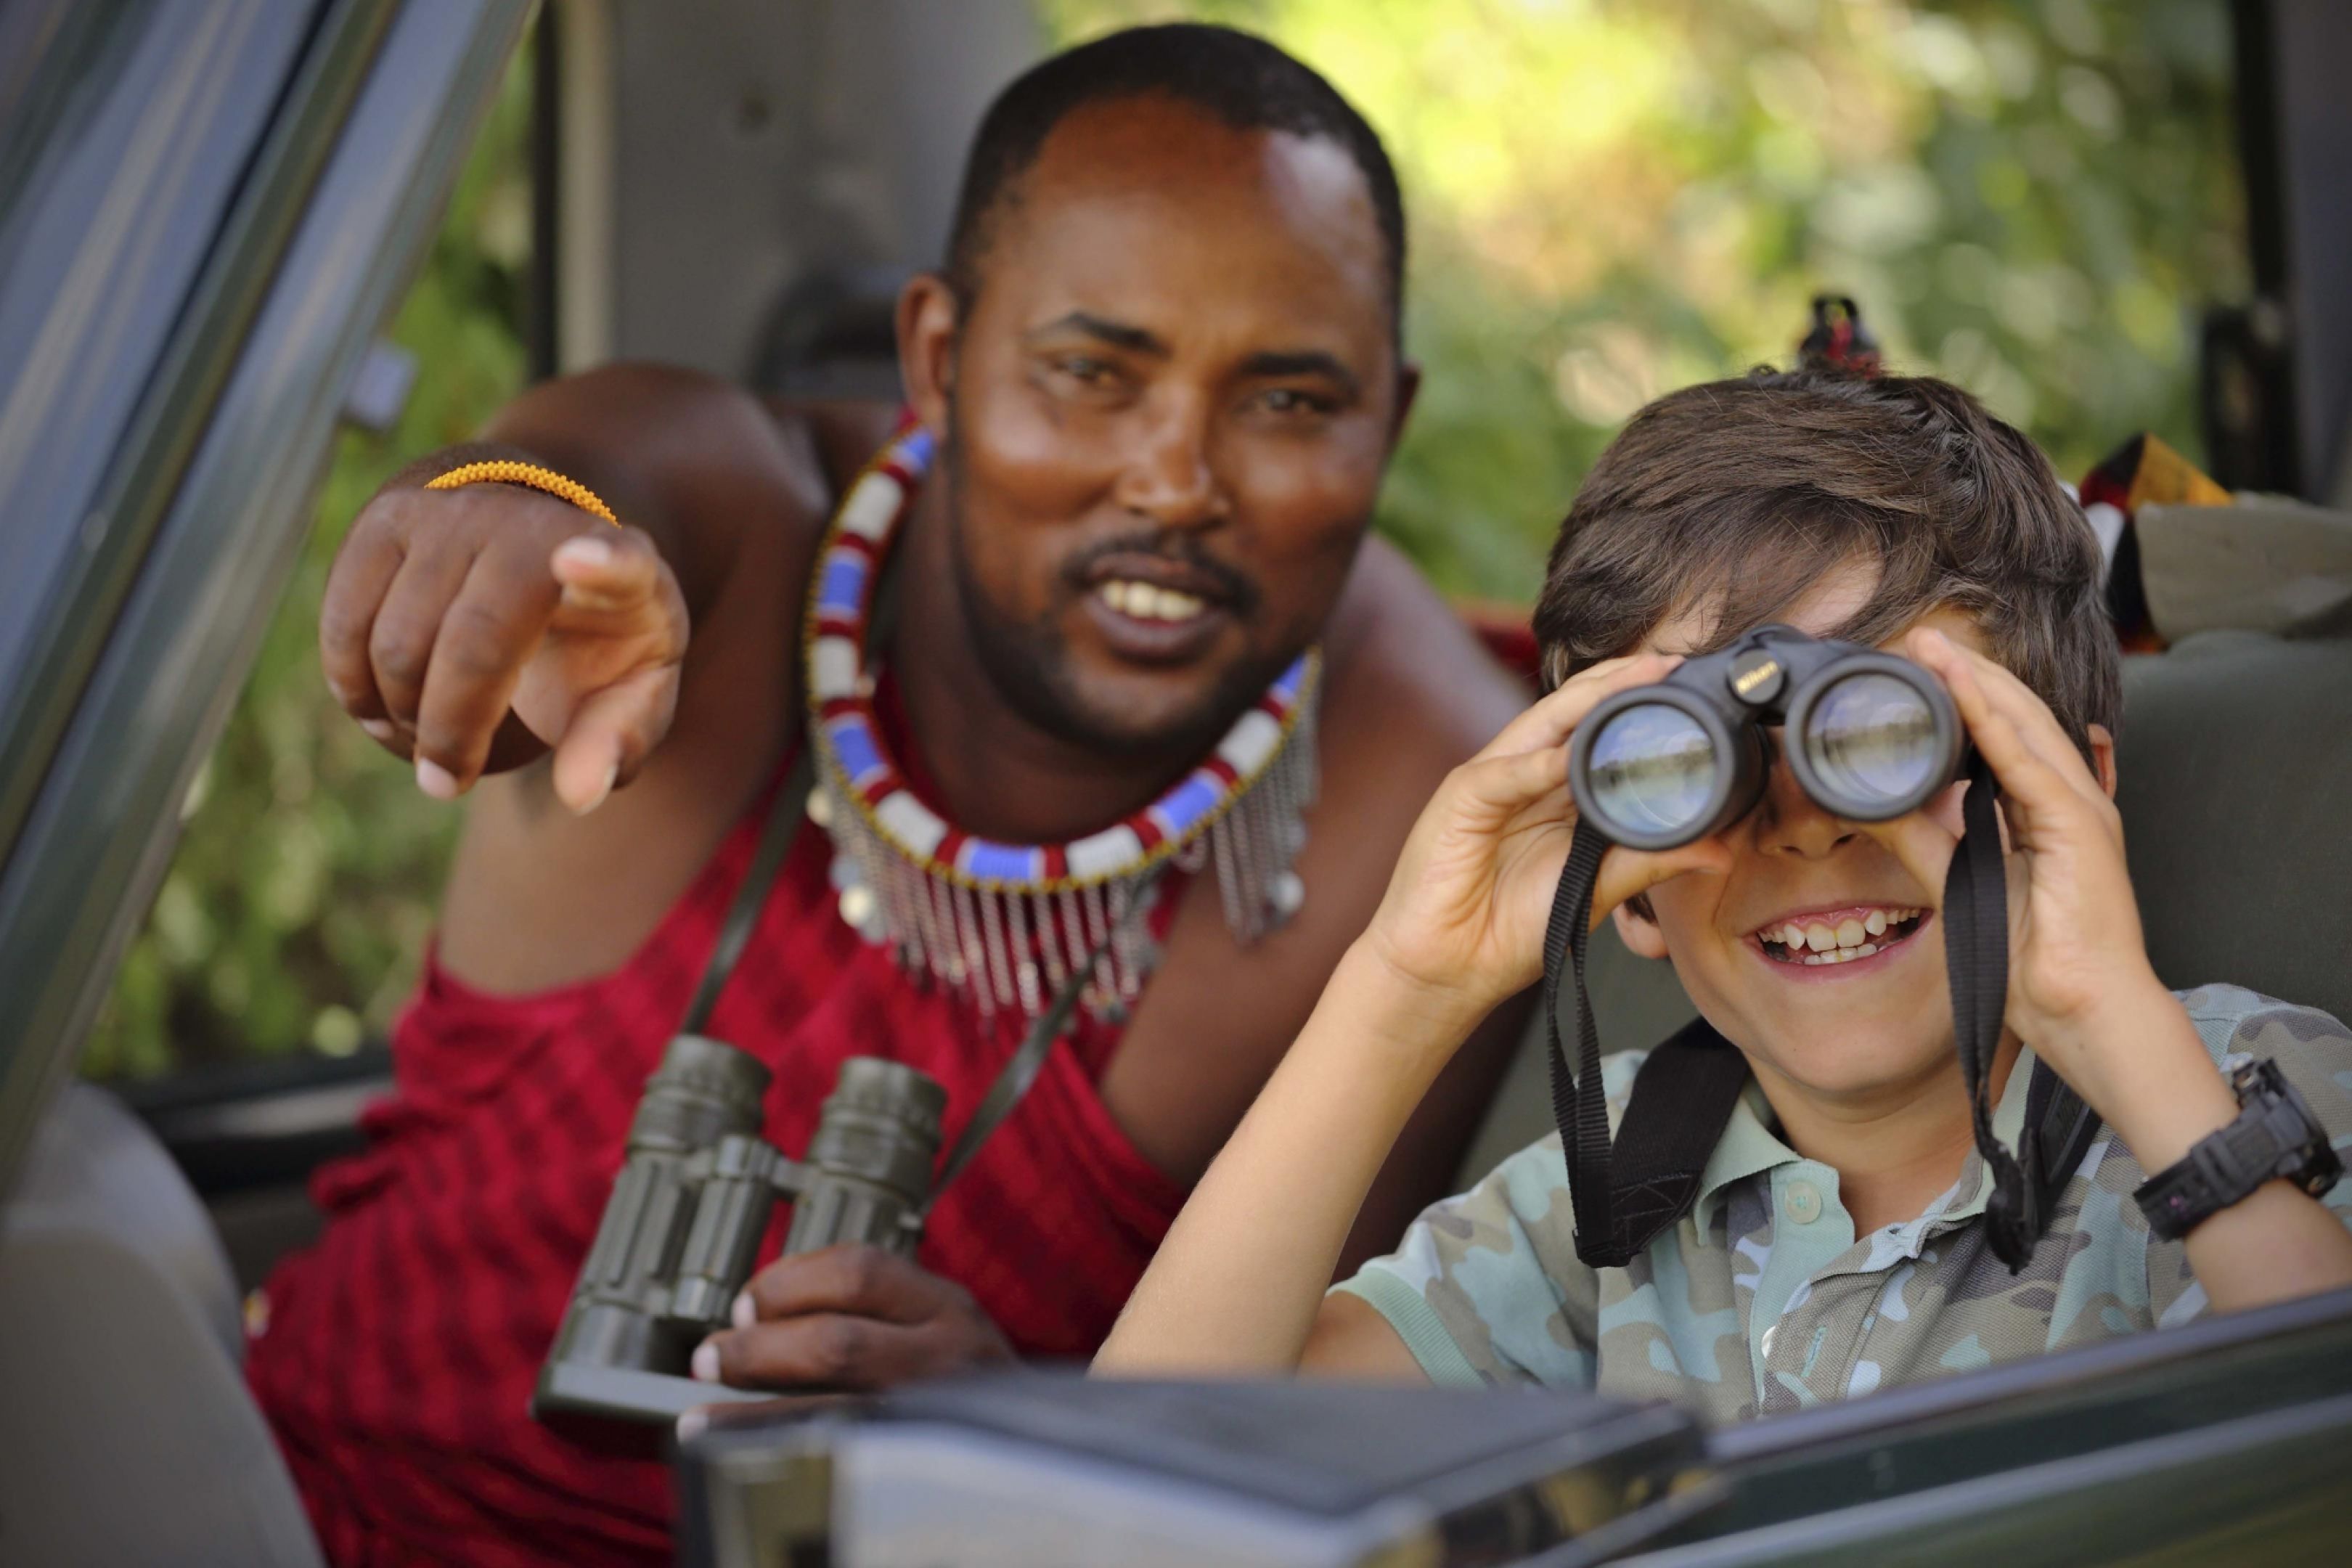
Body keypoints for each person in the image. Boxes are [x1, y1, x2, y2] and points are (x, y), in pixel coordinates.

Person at [245, 25, 1529, 1567]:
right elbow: (562, 492)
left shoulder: (1425, 797)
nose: (1178, 479)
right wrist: (498, 536)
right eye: (1090, 374)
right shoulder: (736, 520)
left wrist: (1017, 1421)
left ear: (1388, 415)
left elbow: (1289, 1441)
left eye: (1291, 402)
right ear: (937, 356)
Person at [1096, 369, 2352, 1415]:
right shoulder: (1611, 1201)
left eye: (1882, 744)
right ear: (1625, 877)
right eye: (1694, 765)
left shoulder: (2260, 1094)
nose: (1805, 834)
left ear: (2067, 792)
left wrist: (2106, 1015)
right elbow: (1140, 1509)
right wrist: (1404, 985)